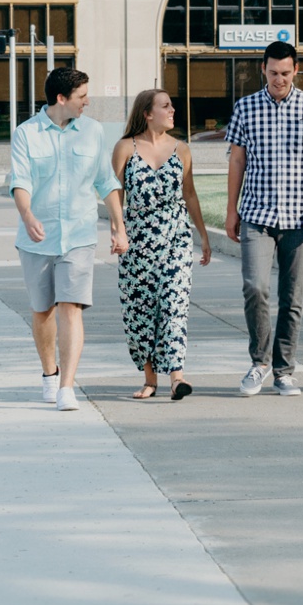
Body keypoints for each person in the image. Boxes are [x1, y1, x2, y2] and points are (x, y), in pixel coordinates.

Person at [6, 66, 130, 412]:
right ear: (61, 99)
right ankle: (49, 374)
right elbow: (21, 181)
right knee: (43, 310)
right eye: (81, 98)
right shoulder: (26, 134)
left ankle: (67, 387)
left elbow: (106, 181)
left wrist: (119, 227)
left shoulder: (92, 132)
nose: (86, 103)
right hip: (37, 237)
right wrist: (28, 216)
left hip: (78, 234)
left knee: (71, 307)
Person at [223, 40, 303, 397]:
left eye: (285, 73)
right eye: (273, 72)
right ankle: (259, 363)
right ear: (263, 69)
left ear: (296, 70)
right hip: (257, 214)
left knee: (293, 297)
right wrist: (231, 209)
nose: (279, 79)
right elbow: (237, 161)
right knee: (256, 287)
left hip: (299, 217)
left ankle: (284, 370)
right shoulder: (245, 107)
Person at [111, 89, 213, 400]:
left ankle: (176, 377)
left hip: (176, 240)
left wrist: (203, 235)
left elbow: (190, 194)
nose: (172, 110)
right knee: (140, 310)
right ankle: (150, 379)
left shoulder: (181, 149)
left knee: (174, 304)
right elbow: (113, 191)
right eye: (165, 106)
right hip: (137, 241)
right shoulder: (125, 148)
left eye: (171, 106)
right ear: (147, 113)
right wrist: (118, 229)